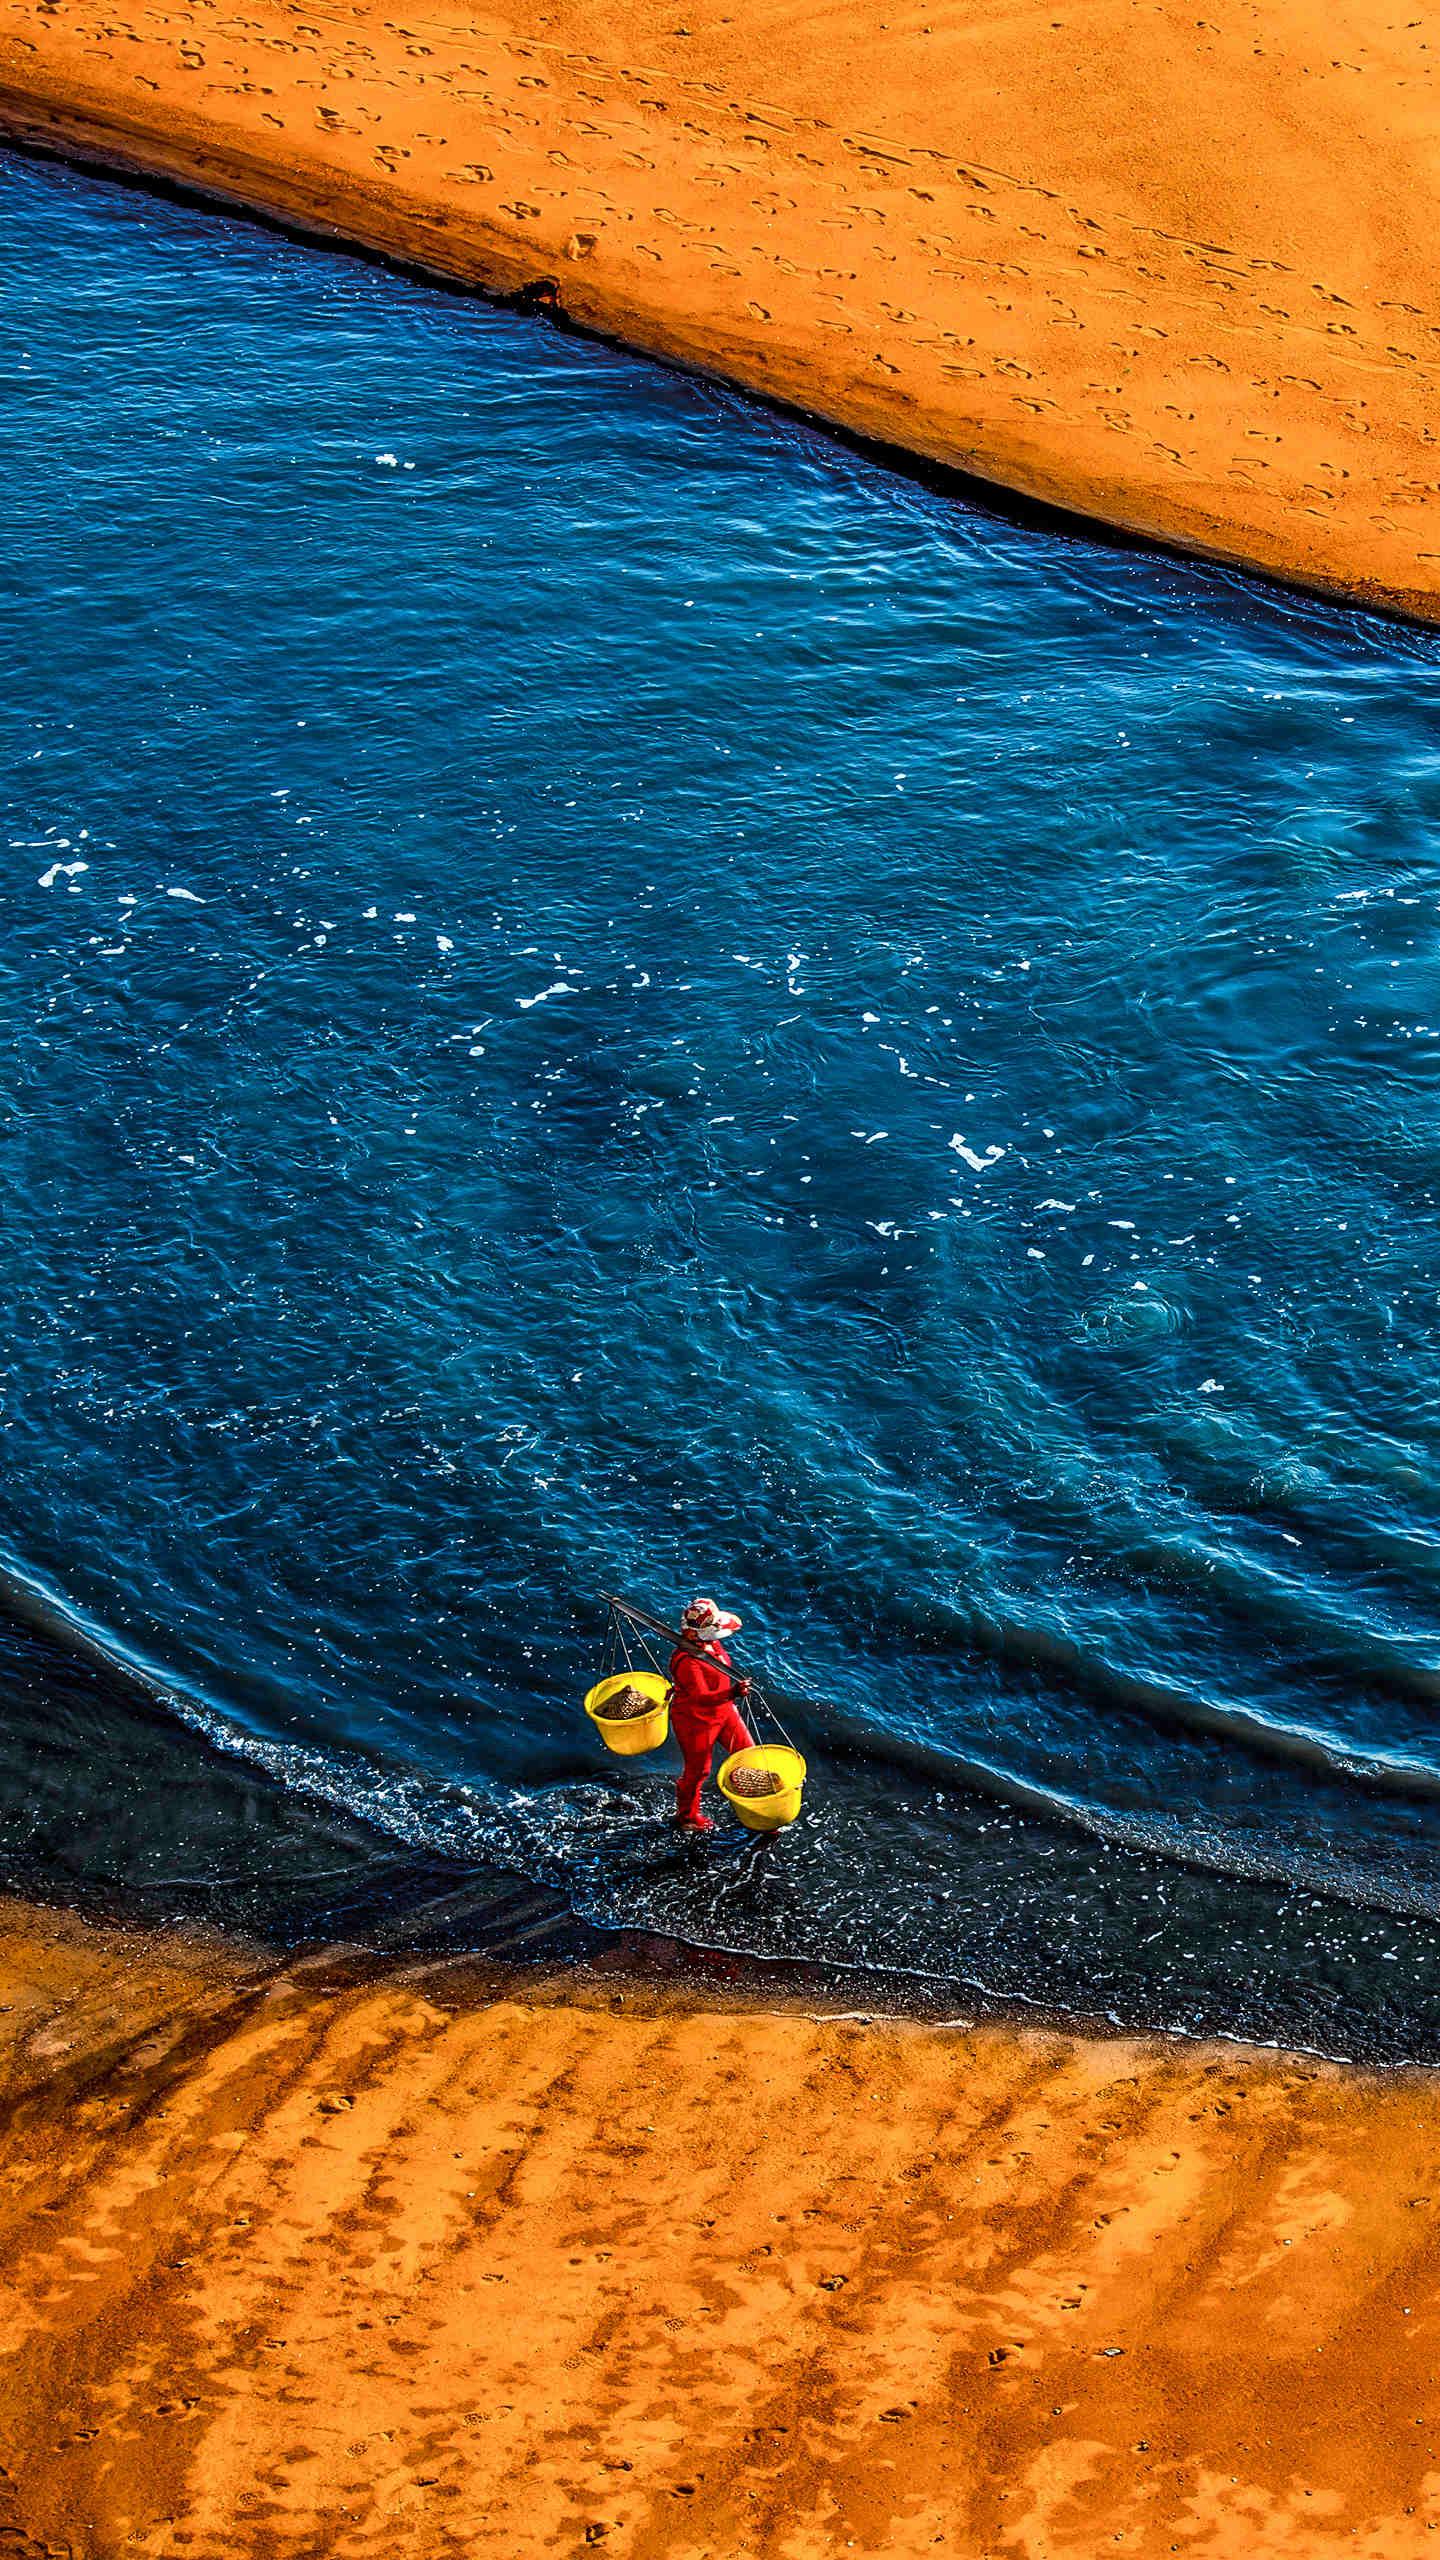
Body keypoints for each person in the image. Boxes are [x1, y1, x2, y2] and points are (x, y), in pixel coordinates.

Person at [668, 1596, 753, 1832]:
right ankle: (687, 1817)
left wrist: (729, 1697)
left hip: (724, 1711)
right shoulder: (687, 1662)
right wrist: (733, 1692)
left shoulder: (711, 1645)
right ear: (694, 1635)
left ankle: (753, 1805)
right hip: (695, 1719)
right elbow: (700, 1698)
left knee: (747, 1755)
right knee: (698, 1771)